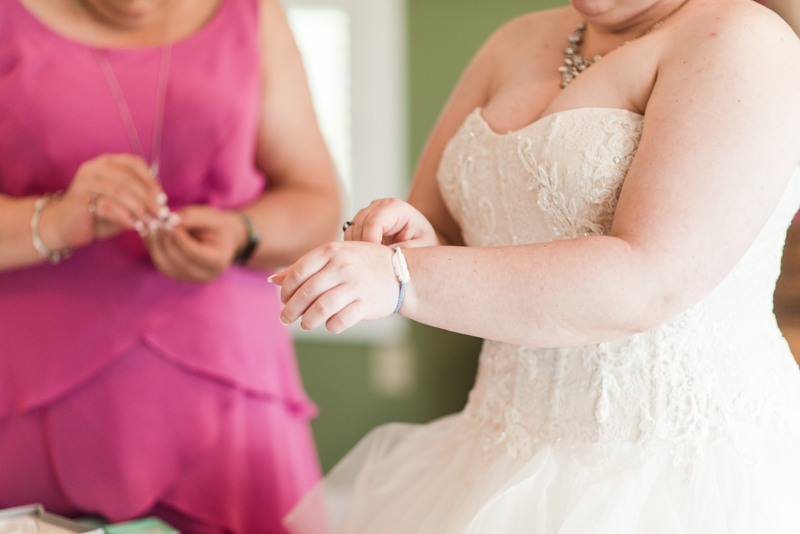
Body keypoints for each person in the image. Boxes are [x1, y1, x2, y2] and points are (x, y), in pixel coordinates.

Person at [277, 0, 800, 531]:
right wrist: (414, 240)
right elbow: (445, 227)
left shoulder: (742, 40)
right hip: (491, 452)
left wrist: (401, 277)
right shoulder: (516, 40)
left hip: (673, 470)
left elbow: (647, 281)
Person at [0, 0, 340, 533]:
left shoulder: (251, 15)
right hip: (23, 387)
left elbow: (319, 203)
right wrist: (55, 220)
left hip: (228, 383)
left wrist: (240, 232)